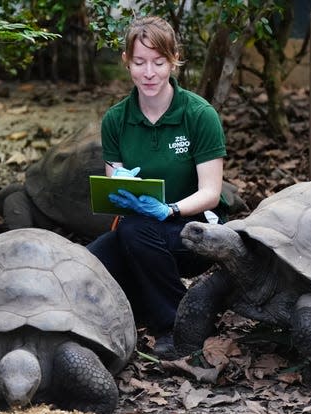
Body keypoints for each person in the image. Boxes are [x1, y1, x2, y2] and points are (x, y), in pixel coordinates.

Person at [86, 15, 226, 354]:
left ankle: (178, 324)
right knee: (89, 263)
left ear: (174, 59)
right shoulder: (117, 119)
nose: (149, 73)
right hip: (137, 229)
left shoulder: (199, 115)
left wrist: (170, 209)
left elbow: (212, 193)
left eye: (159, 62)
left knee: (134, 232)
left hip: (193, 231)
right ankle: (133, 317)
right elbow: (112, 188)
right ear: (127, 62)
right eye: (139, 62)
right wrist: (121, 187)